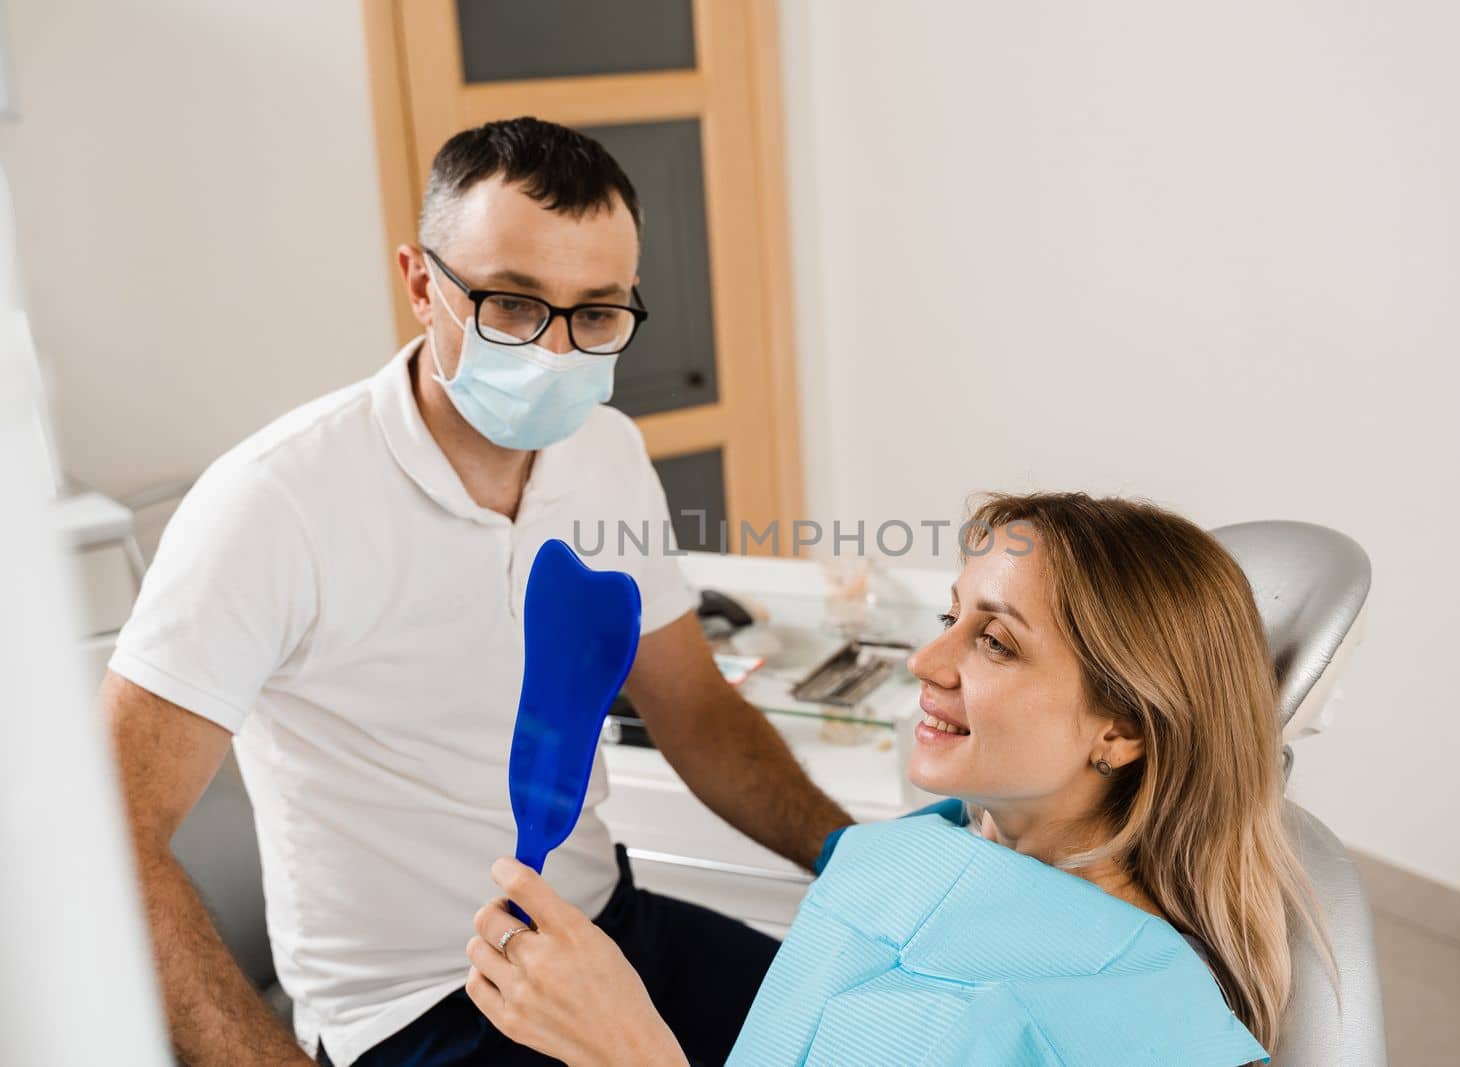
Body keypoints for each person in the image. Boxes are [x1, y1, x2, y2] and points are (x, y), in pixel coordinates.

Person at [104, 117, 852, 1067]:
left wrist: (854, 858)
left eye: (597, 312)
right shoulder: (275, 503)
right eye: (511, 304)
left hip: (601, 930)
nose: (555, 350)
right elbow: (110, 832)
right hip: (418, 1009)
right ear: (423, 285)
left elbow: (695, 709)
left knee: (878, 1026)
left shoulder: (607, 452)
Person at [464, 492, 1329, 1065]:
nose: (926, 658)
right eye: (953, 614)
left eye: (994, 641)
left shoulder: (1142, 1021)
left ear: (1125, 727)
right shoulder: (925, 843)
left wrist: (631, 1050)